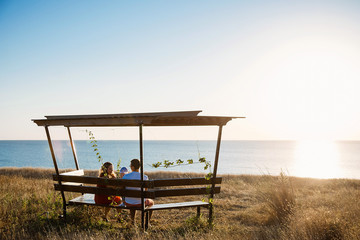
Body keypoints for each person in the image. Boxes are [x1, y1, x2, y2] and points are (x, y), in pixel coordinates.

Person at [122, 159, 154, 225]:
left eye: (130, 165)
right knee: (151, 202)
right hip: (141, 203)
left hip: (128, 203)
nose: (130, 167)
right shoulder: (144, 177)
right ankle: (147, 222)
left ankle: (132, 222)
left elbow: (123, 190)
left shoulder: (125, 177)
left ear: (133, 167)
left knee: (132, 201)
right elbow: (145, 190)